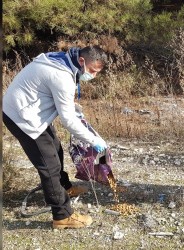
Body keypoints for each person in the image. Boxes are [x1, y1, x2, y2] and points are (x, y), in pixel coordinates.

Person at [3, 45, 108, 229]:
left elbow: (56, 97)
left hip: (31, 110)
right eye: (92, 71)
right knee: (48, 165)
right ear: (82, 61)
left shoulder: (64, 61)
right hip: (21, 117)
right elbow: (68, 121)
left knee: (55, 147)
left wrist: (73, 108)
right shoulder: (62, 76)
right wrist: (94, 140)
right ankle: (62, 216)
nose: (93, 76)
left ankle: (64, 187)